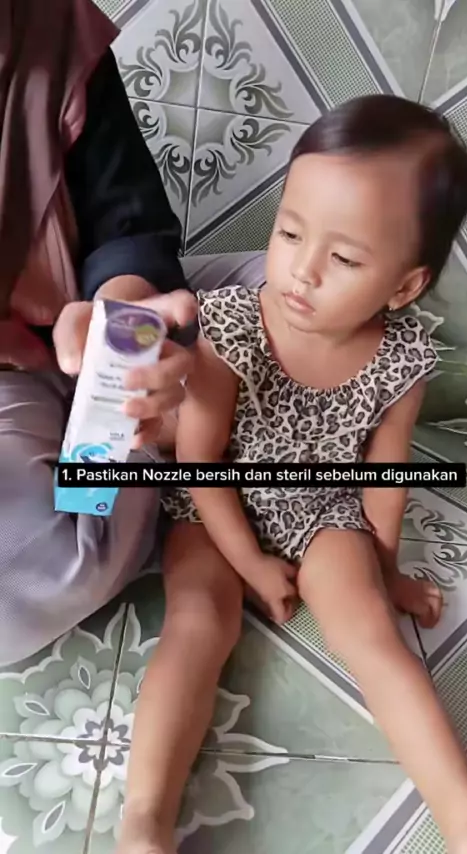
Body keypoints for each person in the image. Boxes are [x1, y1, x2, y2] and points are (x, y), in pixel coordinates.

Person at [117, 95, 467, 854]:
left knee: (371, 631)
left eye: (344, 259)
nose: (302, 271)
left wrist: (387, 571)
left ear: (404, 286)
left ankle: (465, 817)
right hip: (212, 505)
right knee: (199, 621)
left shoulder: (403, 360)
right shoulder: (230, 326)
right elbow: (200, 461)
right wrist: (249, 562)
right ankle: (144, 822)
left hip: (320, 507)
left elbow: (384, 475)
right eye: (289, 233)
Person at [0, 0, 197, 666]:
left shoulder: (48, 26)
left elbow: (127, 223)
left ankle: (161, 431)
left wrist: (122, 326)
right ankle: (170, 448)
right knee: (34, 574)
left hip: (84, 322)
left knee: (304, 308)